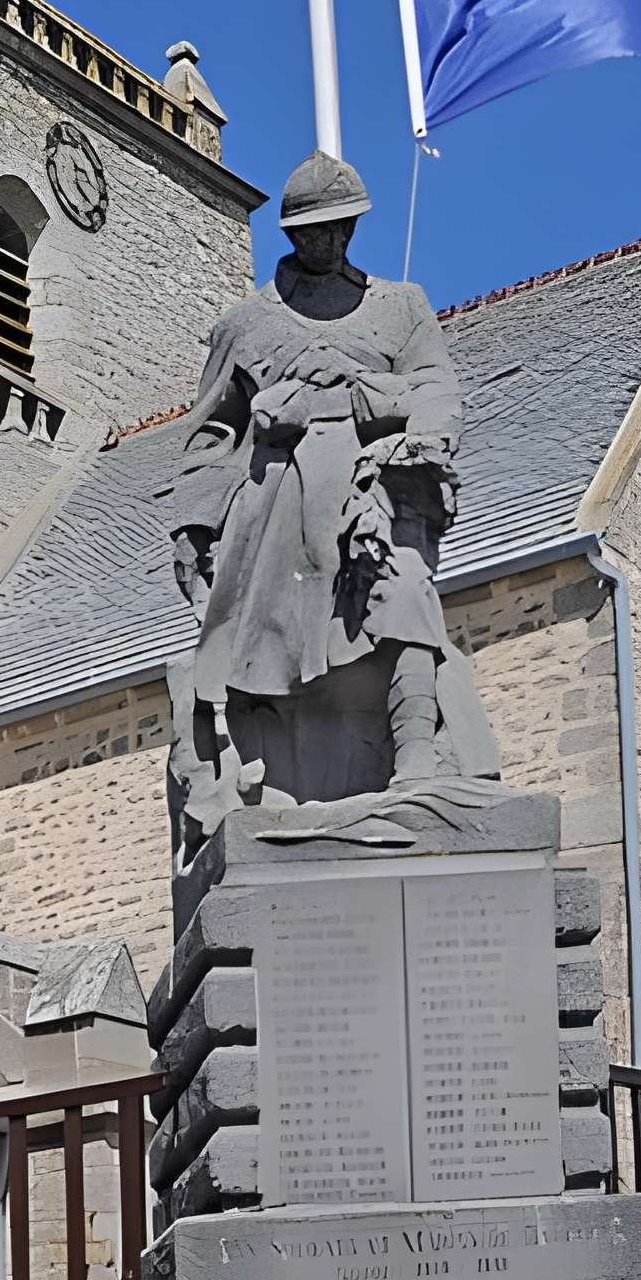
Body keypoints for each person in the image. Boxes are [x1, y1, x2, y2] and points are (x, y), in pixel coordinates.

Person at [164, 151, 485, 844]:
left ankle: (417, 763)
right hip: (277, 507)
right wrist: (193, 524)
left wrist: (423, 439)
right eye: (314, 230)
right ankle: (272, 779)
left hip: (371, 498)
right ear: (292, 234)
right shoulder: (244, 325)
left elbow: (437, 388)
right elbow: (214, 432)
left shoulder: (401, 307)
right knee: (268, 643)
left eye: (341, 227)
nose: (329, 240)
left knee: (404, 596)